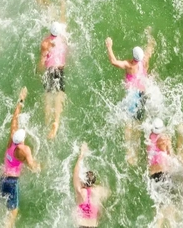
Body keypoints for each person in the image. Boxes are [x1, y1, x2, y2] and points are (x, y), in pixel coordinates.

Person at [0, 87, 40, 228]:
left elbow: (14, 118)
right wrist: (39, 166)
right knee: (13, 212)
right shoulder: (24, 150)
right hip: (12, 182)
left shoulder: (11, 142)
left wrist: (21, 100)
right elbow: (33, 167)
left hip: (3, 177)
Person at [105, 32, 155, 164]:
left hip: (133, 95)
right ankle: (137, 151)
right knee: (137, 122)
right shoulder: (144, 61)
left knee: (128, 122)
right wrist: (150, 38)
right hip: (143, 94)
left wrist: (109, 46)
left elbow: (113, 61)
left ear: (133, 56)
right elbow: (150, 48)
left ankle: (129, 152)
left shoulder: (129, 64)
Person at [38, 21, 67, 139]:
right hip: (60, 69)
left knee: (48, 96)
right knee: (59, 95)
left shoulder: (45, 43)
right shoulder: (64, 40)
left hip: (49, 70)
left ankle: (47, 122)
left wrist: (38, 68)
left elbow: (42, 61)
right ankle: (56, 121)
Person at [73, 143, 109, 227]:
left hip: (82, 225)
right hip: (93, 225)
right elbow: (108, 193)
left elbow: (75, 173)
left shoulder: (80, 191)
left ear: (82, 181)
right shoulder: (99, 191)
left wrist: (81, 155)